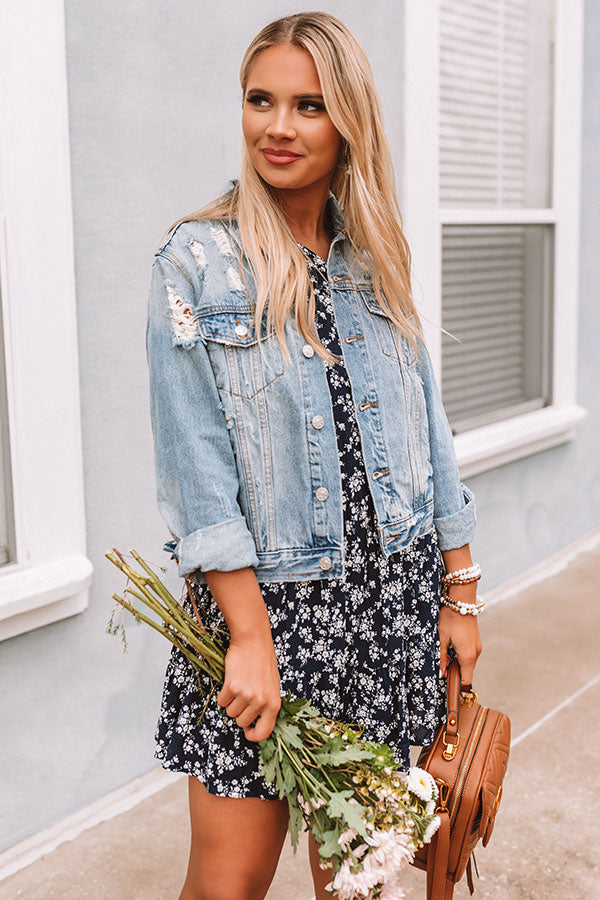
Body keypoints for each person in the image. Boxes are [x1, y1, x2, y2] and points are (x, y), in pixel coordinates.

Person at [145, 11, 483, 900]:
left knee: (360, 886)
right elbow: (197, 463)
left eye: (309, 105)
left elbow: (429, 427)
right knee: (228, 883)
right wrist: (249, 639)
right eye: (261, 100)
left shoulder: (375, 257)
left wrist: (461, 591)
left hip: (386, 613)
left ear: (349, 124)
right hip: (266, 615)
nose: (278, 127)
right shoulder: (198, 261)